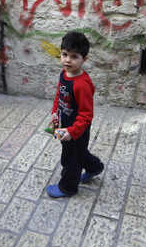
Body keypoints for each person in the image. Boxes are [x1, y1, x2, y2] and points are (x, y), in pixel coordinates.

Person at [45, 31, 105, 198]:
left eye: (74, 56)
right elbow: (59, 94)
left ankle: (68, 187)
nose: (67, 60)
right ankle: (94, 167)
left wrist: (72, 132)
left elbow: (86, 115)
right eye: (64, 54)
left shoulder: (82, 85)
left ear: (84, 59)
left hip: (77, 129)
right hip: (63, 122)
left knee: (70, 158)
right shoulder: (64, 74)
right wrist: (55, 114)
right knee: (77, 152)